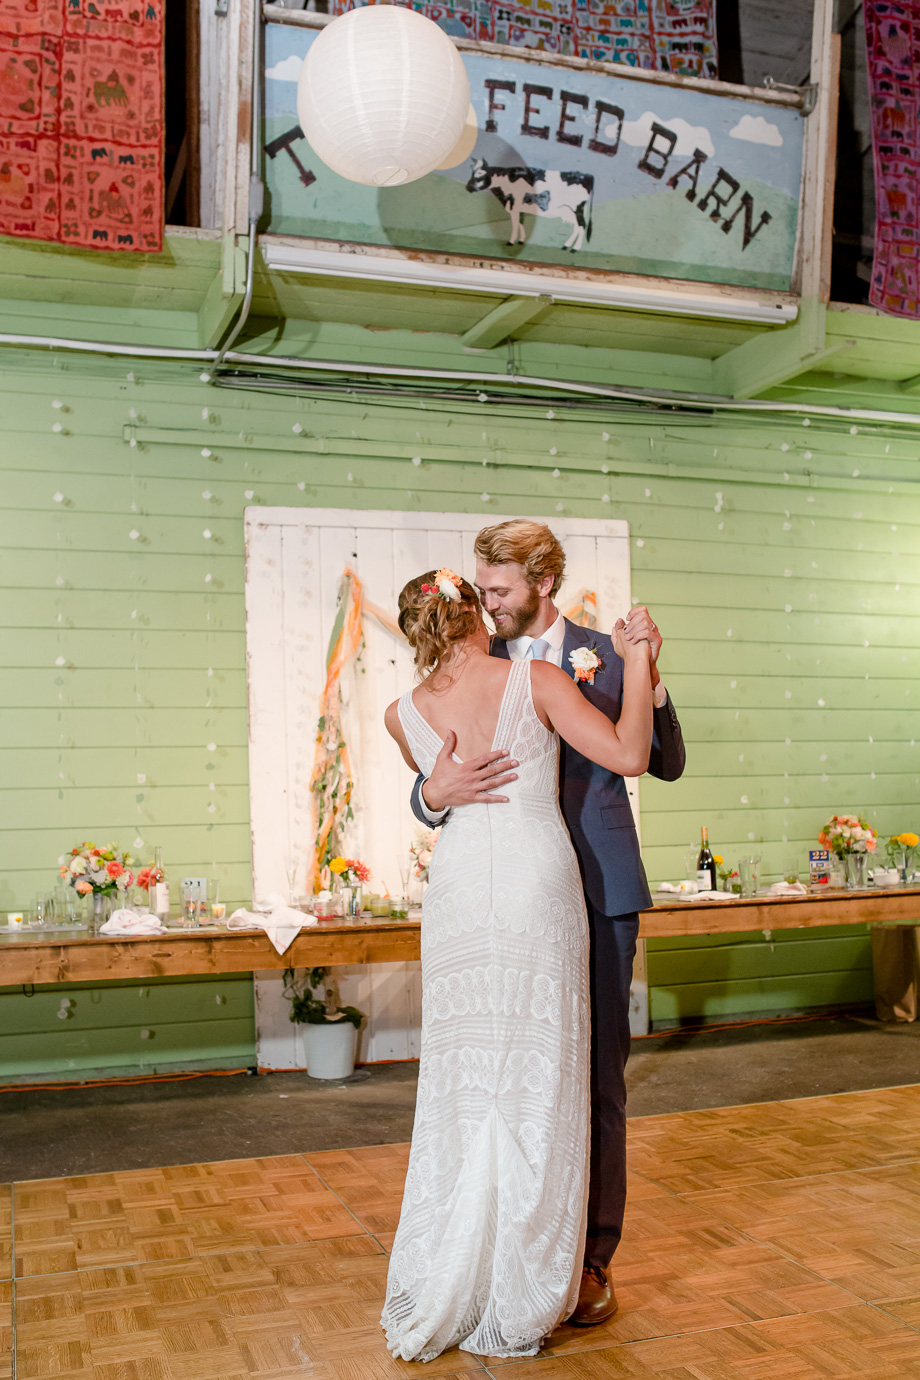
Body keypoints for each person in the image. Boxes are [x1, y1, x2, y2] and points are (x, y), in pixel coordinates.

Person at [410, 520, 685, 1327]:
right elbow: (433, 771)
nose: (483, 601)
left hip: (594, 892)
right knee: (502, 1078)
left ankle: (590, 1258)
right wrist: (433, 796)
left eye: (497, 588)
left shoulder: (602, 652)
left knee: (594, 1080)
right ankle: (508, 1247)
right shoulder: (471, 662)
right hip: (504, 899)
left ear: (541, 583)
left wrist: (650, 672)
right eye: (479, 587)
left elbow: (660, 759)